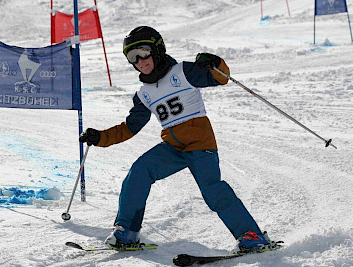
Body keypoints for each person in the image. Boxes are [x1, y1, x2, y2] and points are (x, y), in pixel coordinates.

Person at [79, 26, 276, 253]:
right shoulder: (144, 94)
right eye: (133, 58)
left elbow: (220, 78)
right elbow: (129, 128)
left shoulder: (183, 72)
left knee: (213, 190)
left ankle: (251, 235)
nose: (140, 61)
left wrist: (215, 62)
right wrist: (101, 137)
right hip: (172, 148)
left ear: (158, 49)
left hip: (201, 146)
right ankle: (126, 232)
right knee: (139, 172)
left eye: (143, 52)